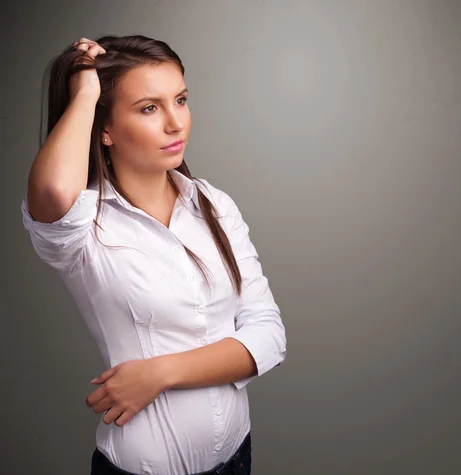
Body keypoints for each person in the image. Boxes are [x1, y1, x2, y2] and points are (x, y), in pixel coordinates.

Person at [21, 34, 286, 475]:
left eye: (180, 100)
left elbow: (268, 335)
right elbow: (50, 189)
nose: (175, 123)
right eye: (149, 108)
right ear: (103, 128)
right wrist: (86, 91)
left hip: (238, 458)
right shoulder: (84, 227)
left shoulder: (213, 205)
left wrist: (157, 374)